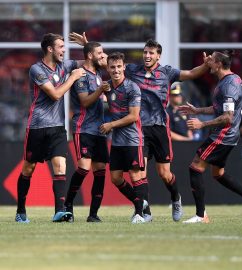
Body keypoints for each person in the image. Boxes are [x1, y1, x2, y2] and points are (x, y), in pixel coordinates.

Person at [69, 32, 210, 222]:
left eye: (151, 53)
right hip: (138, 129)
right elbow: (109, 64)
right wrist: (88, 46)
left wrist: (207, 65)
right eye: (145, 52)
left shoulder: (167, 72)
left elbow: (192, 73)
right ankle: (144, 211)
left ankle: (176, 198)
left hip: (159, 128)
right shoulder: (133, 70)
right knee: (138, 174)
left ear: (158, 55)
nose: (147, 56)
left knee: (164, 174)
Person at [178, 49, 242, 223]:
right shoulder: (230, 80)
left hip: (224, 134)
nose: (208, 62)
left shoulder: (228, 85)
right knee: (218, 173)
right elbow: (219, 109)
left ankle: (201, 215)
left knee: (195, 167)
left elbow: (227, 117)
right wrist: (198, 111)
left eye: (211, 60)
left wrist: (201, 124)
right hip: (229, 135)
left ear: (219, 64)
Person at [15, 33, 86, 223]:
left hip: (57, 128)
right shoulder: (36, 69)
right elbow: (55, 94)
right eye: (61, 47)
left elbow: (90, 61)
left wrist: (86, 45)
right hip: (38, 126)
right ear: (50, 49)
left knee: (60, 166)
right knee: (28, 169)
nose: (64, 50)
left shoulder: (65, 66)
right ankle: (21, 211)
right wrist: (72, 79)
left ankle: (60, 211)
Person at [64, 42, 111, 223]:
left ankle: (93, 214)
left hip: (99, 130)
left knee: (100, 171)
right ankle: (68, 206)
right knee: (83, 168)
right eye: (99, 53)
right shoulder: (81, 75)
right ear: (90, 55)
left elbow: (110, 63)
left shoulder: (98, 73)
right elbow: (84, 102)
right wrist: (101, 90)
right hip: (83, 128)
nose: (103, 55)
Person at [100, 52, 146, 224]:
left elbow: (134, 116)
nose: (116, 70)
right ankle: (140, 203)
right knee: (116, 178)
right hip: (118, 141)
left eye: (119, 66)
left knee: (135, 176)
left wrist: (111, 125)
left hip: (133, 139)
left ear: (124, 67)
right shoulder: (107, 87)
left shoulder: (132, 88)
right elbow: (98, 58)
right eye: (112, 67)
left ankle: (140, 214)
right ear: (108, 69)